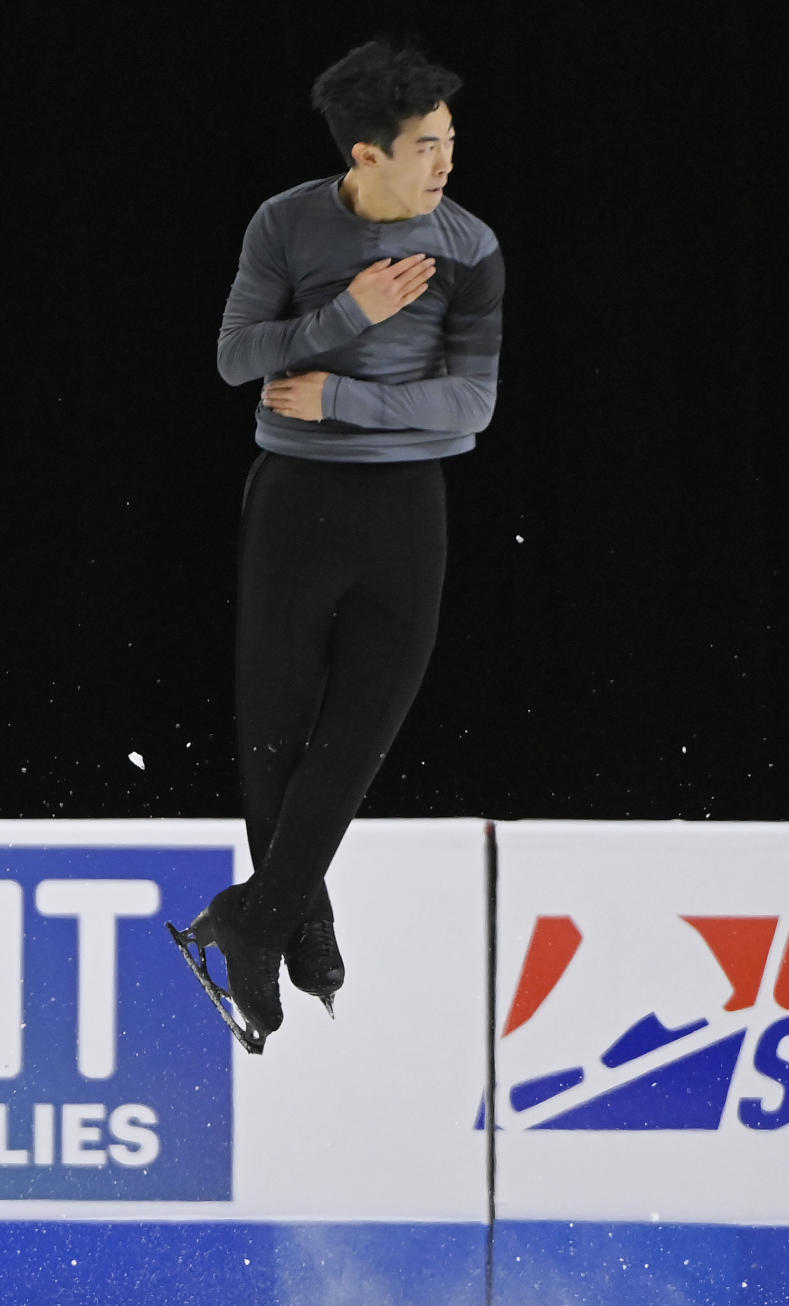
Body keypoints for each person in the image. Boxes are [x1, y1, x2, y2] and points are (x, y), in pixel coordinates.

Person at [182, 39, 504, 1046]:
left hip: (406, 513)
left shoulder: (472, 249)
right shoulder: (287, 224)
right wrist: (343, 316)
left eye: (450, 140)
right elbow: (237, 357)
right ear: (366, 155)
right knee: (273, 740)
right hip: (292, 503)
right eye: (425, 145)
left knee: (356, 740)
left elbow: (471, 406)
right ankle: (292, 917)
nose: (445, 161)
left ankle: (259, 917)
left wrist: (342, 398)